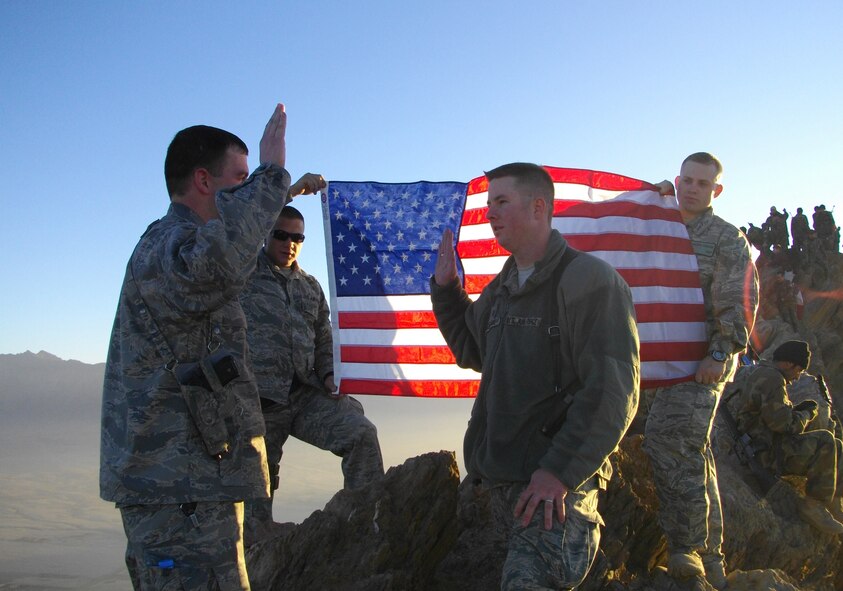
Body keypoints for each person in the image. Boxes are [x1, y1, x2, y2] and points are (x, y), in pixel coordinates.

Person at [100, 104, 296, 590]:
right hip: (175, 489)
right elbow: (221, 264)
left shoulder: (183, 243)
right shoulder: (168, 247)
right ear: (205, 182)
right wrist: (273, 178)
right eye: (242, 177)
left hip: (192, 483)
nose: (250, 188)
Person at [430, 162, 640, 590]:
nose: (490, 214)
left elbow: (613, 392)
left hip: (553, 493)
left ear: (539, 207)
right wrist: (447, 290)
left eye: (502, 202)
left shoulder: (590, 281)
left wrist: (558, 473)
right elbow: (472, 349)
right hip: (503, 486)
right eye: (490, 205)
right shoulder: (502, 287)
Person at [642, 152, 759, 588]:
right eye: (686, 180)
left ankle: (685, 548)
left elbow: (739, 300)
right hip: (661, 360)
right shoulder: (662, 222)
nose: (692, 188)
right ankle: (711, 557)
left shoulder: (727, 239)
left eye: (702, 183)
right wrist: (646, 201)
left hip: (705, 359)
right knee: (693, 450)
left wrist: (719, 353)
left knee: (668, 439)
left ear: (716, 190)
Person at [240, 202, 385, 539]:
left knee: (362, 435)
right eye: (280, 234)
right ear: (265, 233)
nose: (289, 242)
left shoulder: (310, 287)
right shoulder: (242, 276)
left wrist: (329, 375)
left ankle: (366, 522)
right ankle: (258, 548)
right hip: (256, 402)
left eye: (297, 237)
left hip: (304, 394)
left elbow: (323, 340)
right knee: (255, 495)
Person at [723, 341, 843, 534]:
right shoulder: (772, 379)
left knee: (837, 445)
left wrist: (796, 412)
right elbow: (784, 426)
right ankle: (813, 505)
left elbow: (774, 416)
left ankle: (834, 503)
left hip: (766, 443)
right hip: (767, 452)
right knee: (826, 441)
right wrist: (807, 414)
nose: (798, 377)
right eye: (799, 370)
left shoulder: (763, 372)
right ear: (788, 363)